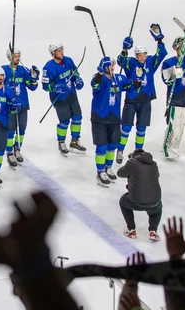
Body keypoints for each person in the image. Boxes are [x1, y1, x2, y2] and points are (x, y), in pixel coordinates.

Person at [116, 23, 168, 163]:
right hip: (131, 101)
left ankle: (138, 152)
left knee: (141, 128)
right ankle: (120, 150)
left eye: (143, 54)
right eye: (139, 55)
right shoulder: (131, 63)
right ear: (136, 55)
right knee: (126, 128)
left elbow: (162, 53)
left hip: (145, 101)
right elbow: (120, 61)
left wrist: (159, 40)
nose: (141, 57)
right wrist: (124, 49)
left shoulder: (151, 62)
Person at [41, 42, 86, 155]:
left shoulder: (68, 60)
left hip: (71, 94)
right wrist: (55, 87)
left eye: (62, 50)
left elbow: (75, 73)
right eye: (59, 50)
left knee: (77, 117)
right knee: (64, 121)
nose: (61, 52)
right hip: (59, 98)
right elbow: (45, 86)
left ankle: (75, 140)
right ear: (53, 53)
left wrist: (78, 80)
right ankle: (61, 142)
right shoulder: (48, 67)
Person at [90, 57, 128, 187]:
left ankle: (108, 167)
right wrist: (100, 71)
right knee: (102, 147)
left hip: (114, 118)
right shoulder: (99, 78)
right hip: (100, 118)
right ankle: (100, 172)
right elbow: (94, 84)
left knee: (112, 146)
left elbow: (131, 86)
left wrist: (138, 80)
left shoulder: (120, 78)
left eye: (112, 65)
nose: (111, 67)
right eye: (108, 65)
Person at [2, 48, 39, 168]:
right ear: (9, 58)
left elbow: (32, 87)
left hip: (23, 104)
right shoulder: (4, 70)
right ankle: (9, 152)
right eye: (15, 56)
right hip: (9, 106)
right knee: (10, 130)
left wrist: (33, 78)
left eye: (18, 56)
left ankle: (17, 149)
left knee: (22, 130)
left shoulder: (23, 70)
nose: (17, 58)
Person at [117, 149, 162, 241]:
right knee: (157, 210)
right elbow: (156, 175)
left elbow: (120, 173)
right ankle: (153, 231)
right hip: (155, 201)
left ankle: (131, 229)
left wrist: (128, 164)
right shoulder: (154, 164)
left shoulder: (132, 163)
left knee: (123, 202)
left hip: (136, 201)